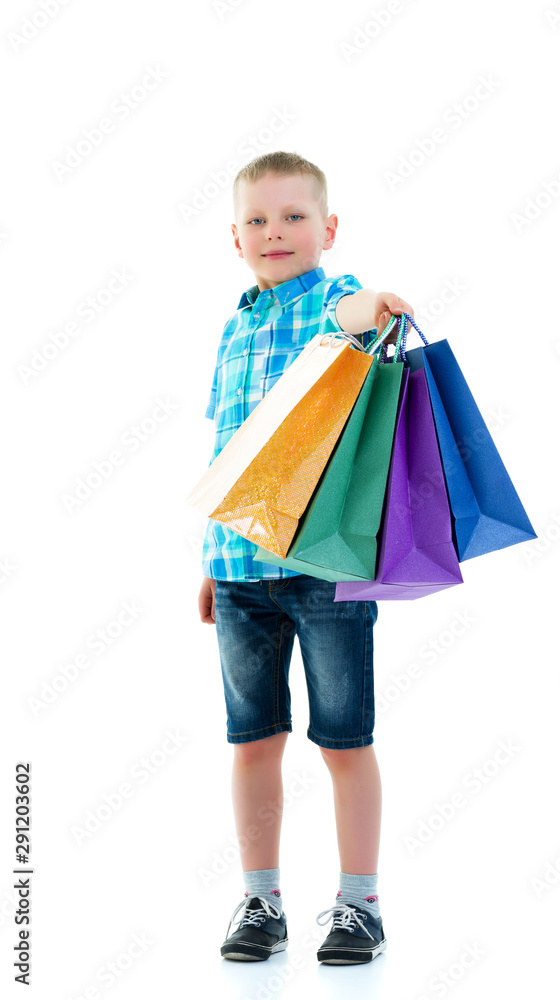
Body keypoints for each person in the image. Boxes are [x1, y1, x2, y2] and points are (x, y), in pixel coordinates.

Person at [197, 150, 413, 965]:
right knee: (253, 738)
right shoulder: (236, 324)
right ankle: (260, 898)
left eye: (292, 218)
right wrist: (209, 564)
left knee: (343, 740)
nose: (274, 232)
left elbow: (350, 315)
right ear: (235, 237)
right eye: (256, 219)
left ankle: (359, 904)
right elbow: (228, 449)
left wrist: (376, 307)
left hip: (323, 565)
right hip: (238, 567)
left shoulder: (328, 300)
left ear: (327, 229)